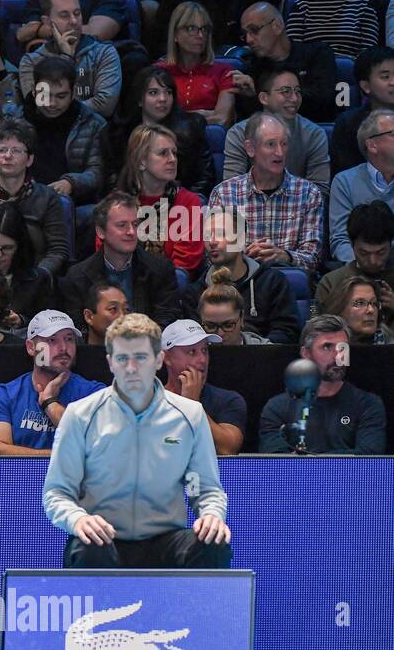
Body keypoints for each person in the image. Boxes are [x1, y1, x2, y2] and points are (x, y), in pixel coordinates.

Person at [44, 312, 231, 568]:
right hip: (103, 539)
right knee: (87, 546)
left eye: (141, 357)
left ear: (158, 360)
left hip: (167, 540)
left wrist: (211, 515)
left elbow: (205, 489)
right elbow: (57, 492)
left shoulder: (190, 415)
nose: (131, 368)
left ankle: (200, 610)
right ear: (110, 362)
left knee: (214, 542)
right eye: (122, 358)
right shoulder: (80, 415)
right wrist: (78, 519)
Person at [0, 308, 107, 455]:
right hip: (20, 478)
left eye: (69, 339)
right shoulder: (4, 395)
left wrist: (50, 402)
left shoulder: (94, 393)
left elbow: (101, 446)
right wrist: (64, 456)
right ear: (31, 348)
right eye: (52, 340)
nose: (63, 348)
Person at [208, 113, 324, 274]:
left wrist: (284, 256)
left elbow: (313, 258)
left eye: (284, 144)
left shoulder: (309, 193)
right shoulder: (224, 193)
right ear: (250, 148)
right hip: (240, 283)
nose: (280, 152)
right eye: (271, 144)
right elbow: (213, 255)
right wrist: (245, 258)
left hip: (288, 282)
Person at [0, 55, 109, 207]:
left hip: (72, 203)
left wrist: (71, 183)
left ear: (73, 94)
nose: (52, 103)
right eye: (45, 95)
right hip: (17, 198)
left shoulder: (92, 123)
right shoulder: (14, 119)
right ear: (34, 91)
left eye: (61, 96)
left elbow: (97, 172)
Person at [258, 314, 386, 454]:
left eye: (343, 347)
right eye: (327, 347)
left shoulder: (368, 404)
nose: (338, 356)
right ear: (306, 353)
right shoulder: (278, 407)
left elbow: (370, 459)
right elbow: (274, 464)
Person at [0, 117, 71, 276]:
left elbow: (58, 251)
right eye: (2, 150)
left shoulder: (48, 198)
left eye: (16, 150)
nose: (8, 156)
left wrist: (35, 277)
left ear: (30, 159)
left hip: (34, 280)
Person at [179, 206, 301, 344]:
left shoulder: (272, 282)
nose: (212, 242)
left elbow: (286, 332)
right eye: (207, 236)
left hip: (262, 359)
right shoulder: (195, 291)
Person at [60, 190, 180, 329]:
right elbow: (78, 331)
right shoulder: (77, 277)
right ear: (101, 231)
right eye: (122, 225)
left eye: (135, 224)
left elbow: (166, 323)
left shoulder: (161, 269)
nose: (131, 232)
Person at [222, 68, 331, 202]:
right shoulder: (239, 133)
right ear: (264, 98)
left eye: (298, 91)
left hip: (296, 212)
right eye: (286, 92)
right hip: (248, 211)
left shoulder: (314, 134)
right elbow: (231, 188)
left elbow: (320, 190)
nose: (295, 98)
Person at [109, 66, 216, 198]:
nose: (163, 99)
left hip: (181, 202)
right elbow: (113, 181)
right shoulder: (121, 133)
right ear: (139, 99)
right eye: (154, 93)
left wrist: (181, 201)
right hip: (133, 203)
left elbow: (205, 179)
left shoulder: (190, 128)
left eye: (168, 92)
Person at [17, 0, 122, 118]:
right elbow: (37, 108)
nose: (74, 21)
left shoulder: (104, 53)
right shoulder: (31, 61)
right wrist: (66, 58)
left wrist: (59, 107)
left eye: (77, 13)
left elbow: (104, 106)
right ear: (47, 22)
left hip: (89, 133)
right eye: (64, 15)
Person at [115, 124, 204, 272]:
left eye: (174, 153)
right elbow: (109, 255)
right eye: (163, 153)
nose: (172, 159)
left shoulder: (188, 202)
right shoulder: (116, 204)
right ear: (141, 161)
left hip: (170, 286)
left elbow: (186, 262)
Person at [234, 2, 339, 123]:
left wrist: (266, 98)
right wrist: (251, 97)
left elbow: (323, 102)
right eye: (244, 34)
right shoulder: (252, 68)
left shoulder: (318, 55)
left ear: (277, 26)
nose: (249, 40)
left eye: (254, 30)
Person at [159, 318, 246, 455]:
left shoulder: (228, 400)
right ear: (167, 358)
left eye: (205, 350)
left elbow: (227, 449)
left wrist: (193, 405)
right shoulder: (151, 401)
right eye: (192, 352)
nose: (203, 360)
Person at [0, 202, 57, 331]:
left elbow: (50, 324)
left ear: (19, 248)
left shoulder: (39, 279)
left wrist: (22, 320)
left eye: (7, 248)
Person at [154, 2, 236, 127]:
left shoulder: (224, 72)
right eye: (191, 28)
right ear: (175, 34)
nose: (200, 35)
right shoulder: (158, 72)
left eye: (204, 29)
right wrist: (201, 115)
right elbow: (154, 119)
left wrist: (176, 117)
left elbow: (222, 120)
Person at [329, 109, 394, 263]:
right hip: (359, 270)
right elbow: (340, 241)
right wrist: (368, 266)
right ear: (372, 145)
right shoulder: (344, 182)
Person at [315, 201, 394, 324]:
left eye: (380, 252)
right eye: (364, 253)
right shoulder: (331, 283)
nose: (373, 261)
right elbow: (317, 333)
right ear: (351, 245)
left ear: (390, 245)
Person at [329, 46, 394, 176]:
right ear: (366, 86)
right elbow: (344, 176)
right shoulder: (348, 123)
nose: (393, 82)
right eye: (385, 76)